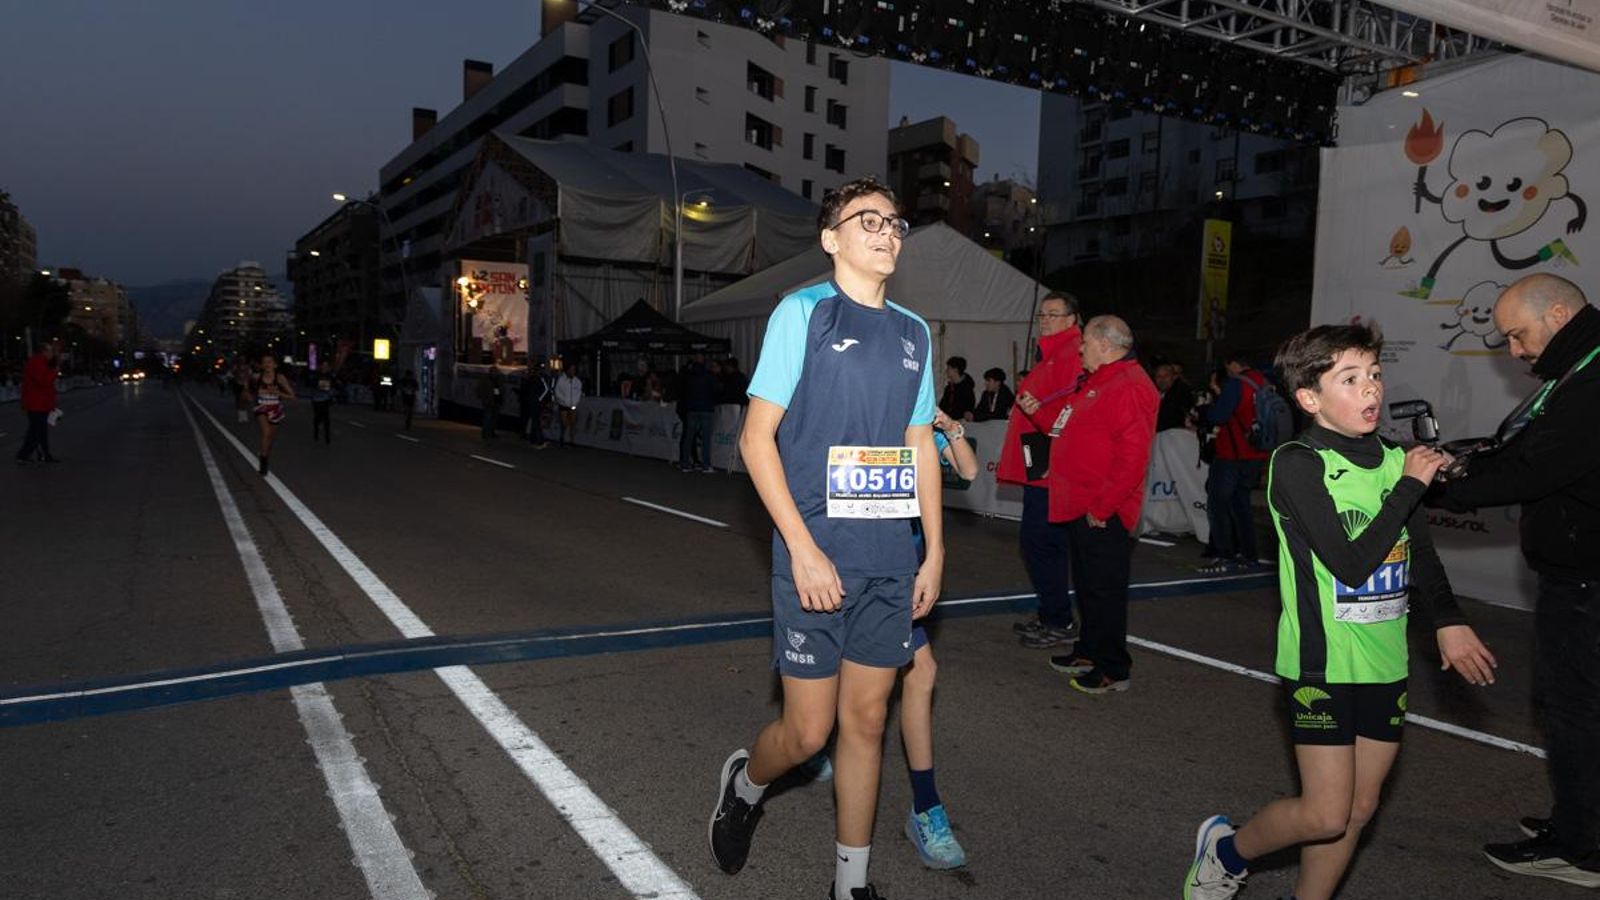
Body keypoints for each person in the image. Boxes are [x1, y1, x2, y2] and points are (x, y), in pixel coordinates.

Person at [1183, 323, 1497, 900]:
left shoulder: (1395, 458)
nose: (1370, 389)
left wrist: (1450, 621)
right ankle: (1227, 850)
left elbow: (1418, 552)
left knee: (1359, 809)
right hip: (1321, 663)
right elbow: (1350, 564)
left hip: (1385, 660)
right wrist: (1408, 486)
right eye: (1349, 379)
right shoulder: (1298, 463)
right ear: (1310, 398)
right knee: (1326, 814)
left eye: (1374, 374)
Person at [708, 176, 941, 900]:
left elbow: (919, 442)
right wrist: (802, 548)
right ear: (832, 237)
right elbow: (755, 439)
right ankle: (746, 783)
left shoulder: (914, 332)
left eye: (895, 222)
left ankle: (851, 883)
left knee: (867, 721)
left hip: (888, 558)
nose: (886, 232)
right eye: (866, 220)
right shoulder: (801, 313)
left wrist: (932, 549)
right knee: (809, 737)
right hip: (814, 555)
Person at [1430, 273, 1600, 887]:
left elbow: (1534, 471)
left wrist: (1436, 488)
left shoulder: (1591, 381)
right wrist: (1458, 464)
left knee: (1576, 710)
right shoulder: (1578, 368)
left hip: (1588, 584)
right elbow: (1524, 449)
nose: (1515, 351)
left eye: (1517, 335)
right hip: (1577, 578)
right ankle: (1580, 819)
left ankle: (1583, 849)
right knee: (1566, 706)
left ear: (1556, 314)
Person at [1042, 316, 1158, 693]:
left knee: (1104, 589)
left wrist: (1103, 507)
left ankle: (1113, 668)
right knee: (1090, 586)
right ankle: (1090, 651)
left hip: (1101, 509)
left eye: (1086, 342)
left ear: (1106, 345)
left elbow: (1132, 457)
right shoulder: (1101, 380)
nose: (1080, 349)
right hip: (1083, 504)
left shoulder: (1128, 384)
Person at [997, 292, 1084, 649]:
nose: (1044, 319)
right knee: (1042, 544)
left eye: (1053, 314)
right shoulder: (1052, 353)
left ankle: (1059, 618)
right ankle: (1053, 613)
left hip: (1050, 463)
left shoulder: (1070, 354)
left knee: (1040, 544)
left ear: (1072, 319)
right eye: (1042, 314)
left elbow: (1067, 412)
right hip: (1041, 458)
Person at [1198, 351, 1273, 573]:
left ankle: (1224, 555)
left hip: (1232, 453)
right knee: (1241, 504)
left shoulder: (1236, 383)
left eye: (1228, 366)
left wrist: (1205, 409)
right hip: (1256, 453)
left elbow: (1218, 416)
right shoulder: (1265, 381)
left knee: (1218, 503)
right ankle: (1249, 555)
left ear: (1234, 364)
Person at [246, 352, 296, 476]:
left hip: (276, 409)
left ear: (275, 365)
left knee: (269, 439)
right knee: (266, 432)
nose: (267, 364)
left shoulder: (280, 378)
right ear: (261, 366)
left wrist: (278, 393)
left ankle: (264, 454)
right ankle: (263, 465)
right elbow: (247, 389)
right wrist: (249, 397)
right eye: (264, 362)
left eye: (270, 362)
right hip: (261, 407)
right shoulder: (257, 377)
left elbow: (292, 396)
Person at [14, 339, 61, 465]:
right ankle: (24, 455)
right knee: (36, 431)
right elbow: (43, 381)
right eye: (50, 351)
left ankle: (44, 455)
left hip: (40, 402)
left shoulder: (41, 362)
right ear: (44, 352)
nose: (52, 353)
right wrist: (54, 371)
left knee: (40, 431)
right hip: (37, 402)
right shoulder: (38, 362)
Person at [679, 352, 719, 472]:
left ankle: (685, 463)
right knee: (706, 438)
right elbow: (716, 390)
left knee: (689, 437)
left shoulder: (689, 375)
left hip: (692, 408)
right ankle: (705, 465)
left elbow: (684, 390)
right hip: (706, 408)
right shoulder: (709, 375)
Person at [1154, 361, 1196, 432]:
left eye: (1166, 376)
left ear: (1174, 377)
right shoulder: (1153, 392)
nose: (1162, 379)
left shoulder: (1180, 393)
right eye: (1159, 376)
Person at [937, 356, 975, 421]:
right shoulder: (949, 388)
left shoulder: (966, 388)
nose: (946, 371)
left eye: (949, 368)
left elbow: (968, 407)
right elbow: (943, 405)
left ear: (955, 370)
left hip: (960, 422)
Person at [553, 363, 582, 447]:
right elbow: (557, 392)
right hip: (563, 404)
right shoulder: (561, 380)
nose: (572, 371)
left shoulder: (577, 381)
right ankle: (562, 437)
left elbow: (578, 393)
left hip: (572, 405)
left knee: (573, 423)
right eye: (571, 369)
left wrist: (575, 402)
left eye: (574, 369)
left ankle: (571, 440)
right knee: (564, 422)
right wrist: (563, 401)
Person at [308, 361, 336, 445]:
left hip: (326, 399)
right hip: (316, 399)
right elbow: (313, 385)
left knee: (326, 418)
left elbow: (333, 386)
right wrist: (324, 386)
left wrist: (332, 393)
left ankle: (327, 437)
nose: (325, 367)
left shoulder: (331, 376)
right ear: (320, 367)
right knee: (318, 417)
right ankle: (316, 430)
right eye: (323, 365)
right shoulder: (316, 375)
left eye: (326, 366)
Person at [478, 368, 504, 440]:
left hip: (496, 401)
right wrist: (485, 398)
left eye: (496, 372)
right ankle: (485, 434)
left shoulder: (499, 380)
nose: (495, 373)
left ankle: (492, 432)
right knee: (487, 418)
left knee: (494, 418)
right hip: (488, 402)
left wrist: (501, 399)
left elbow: (501, 390)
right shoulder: (485, 380)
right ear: (490, 372)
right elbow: (479, 390)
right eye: (494, 372)